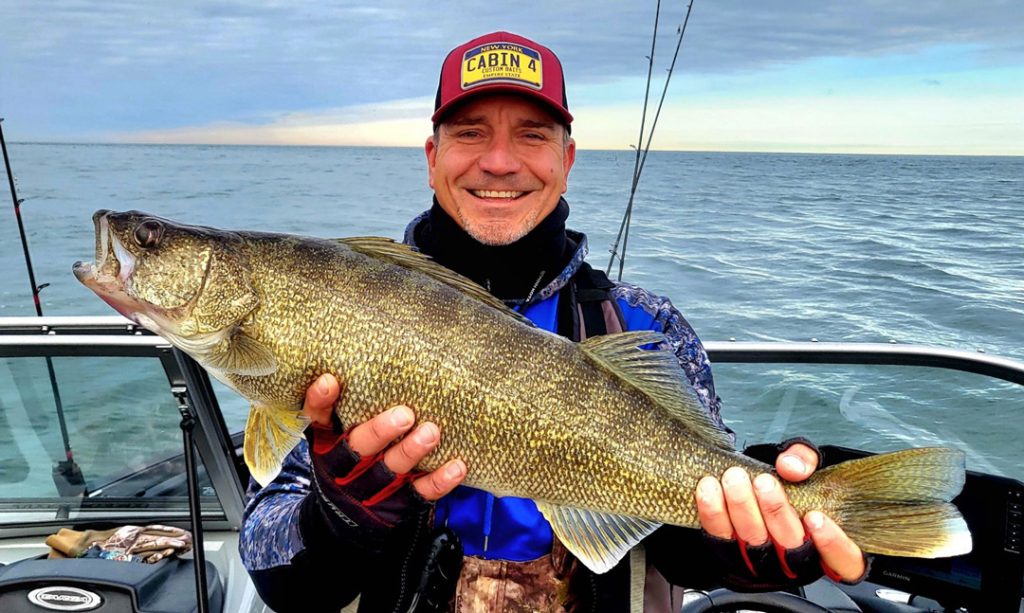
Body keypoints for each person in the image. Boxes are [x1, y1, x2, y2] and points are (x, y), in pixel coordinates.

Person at [240, 31, 868, 612]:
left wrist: (744, 544)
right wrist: (337, 520)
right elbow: (271, 564)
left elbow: (689, 523)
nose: (499, 161)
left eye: (533, 135)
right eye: (470, 133)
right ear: (432, 158)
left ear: (566, 161)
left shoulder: (643, 324)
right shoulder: (343, 306)